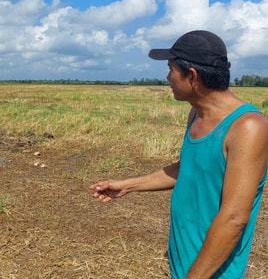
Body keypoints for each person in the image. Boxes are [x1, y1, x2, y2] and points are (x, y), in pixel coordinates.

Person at [89, 30, 268, 278]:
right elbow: (189, 169)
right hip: (186, 260)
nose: (167, 77)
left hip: (212, 271)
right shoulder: (196, 115)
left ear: (192, 75)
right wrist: (128, 186)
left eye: (171, 69)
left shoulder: (248, 127)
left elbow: (234, 218)